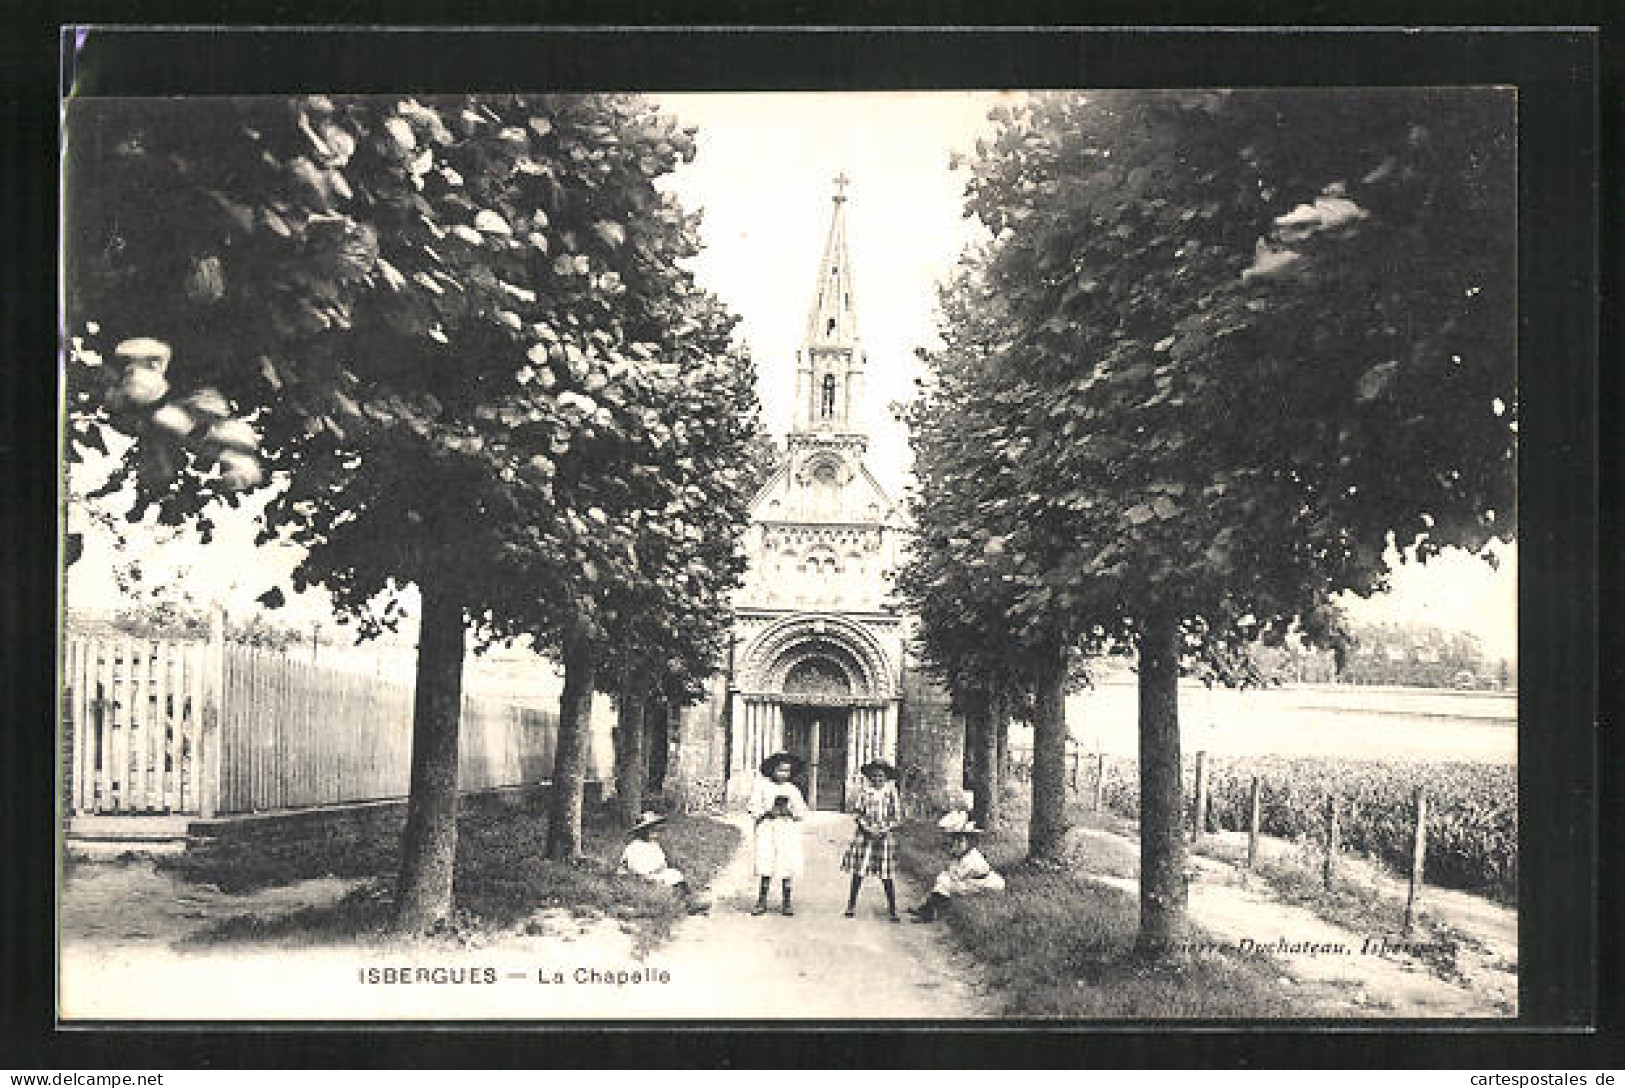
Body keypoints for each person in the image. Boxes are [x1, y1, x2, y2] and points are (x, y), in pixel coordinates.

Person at [908, 810, 1006, 922]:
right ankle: (927, 908)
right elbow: (954, 867)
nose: (954, 845)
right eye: (955, 841)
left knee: (945, 883)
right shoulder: (964, 855)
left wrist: (947, 879)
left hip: (986, 885)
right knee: (943, 879)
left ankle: (929, 912)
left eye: (958, 842)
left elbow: (957, 876)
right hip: (973, 881)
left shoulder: (972, 858)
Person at [840, 759, 902, 921]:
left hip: (884, 835)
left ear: (886, 777)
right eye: (874, 776)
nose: (877, 779)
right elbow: (857, 813)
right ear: (869, 777)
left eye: (881, 776)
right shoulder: (865, 792)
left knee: (886, 874)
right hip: (865, 834)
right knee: (859, 871)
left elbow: (896, 817)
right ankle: (851, 904)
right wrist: (866, 828)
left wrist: (884, 829)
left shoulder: (891, 792)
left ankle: (893, 908)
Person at [747, 752, 808, 915]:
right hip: (768, 829)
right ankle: (761, 901)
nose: (783, 774)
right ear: (771, 770)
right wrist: (768, 811)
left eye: (787, 771)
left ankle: (786, 902)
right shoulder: (762, 787)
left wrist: (789, 811)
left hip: (787, 830)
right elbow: (753, 807)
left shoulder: (792, 790)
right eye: (780, 770)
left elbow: (801, 811)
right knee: (767, 862)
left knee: (786, 864)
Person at [619, 811, 709, 915]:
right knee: (667, 878)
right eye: (652, 831)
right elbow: (637, 869)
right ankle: (685, 904)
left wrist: (661, 868)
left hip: (654, 873)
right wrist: (654, 871)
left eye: (656, 831)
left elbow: (661, 861)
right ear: (643, 832)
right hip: (639, 878)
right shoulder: (634, 847)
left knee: (674, 874)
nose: (655, 834)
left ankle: (688, 902)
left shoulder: (654, 845)